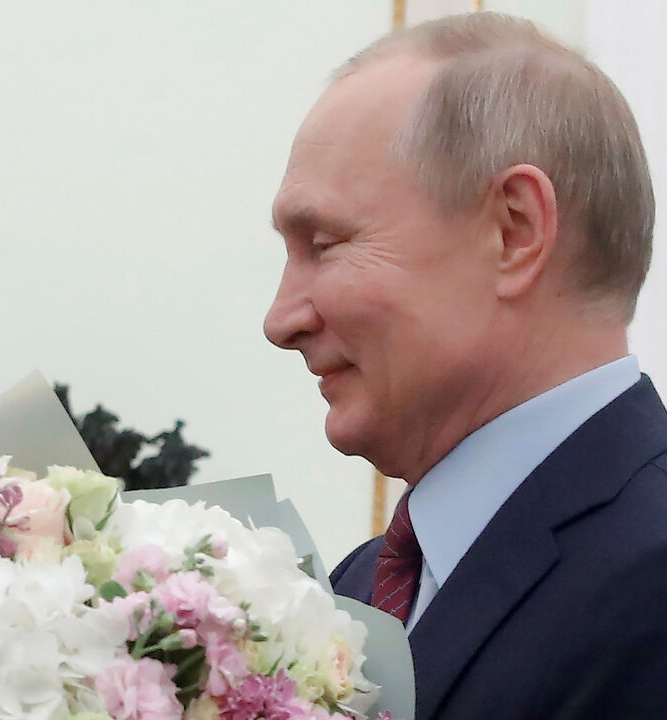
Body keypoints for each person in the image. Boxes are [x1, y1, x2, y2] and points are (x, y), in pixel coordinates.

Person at [264, 12, 667, 720]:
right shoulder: (357, 591)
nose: (281, 319)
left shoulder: (649, 578)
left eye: (324, 244)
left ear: (514, 230)